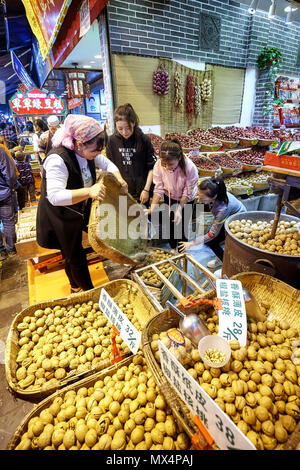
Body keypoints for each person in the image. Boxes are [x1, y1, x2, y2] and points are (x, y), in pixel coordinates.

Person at [36, 114, 128, 294]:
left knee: (74, 251)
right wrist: (89, 191)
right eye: (95, 150)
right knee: (74, 253)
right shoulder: (58, 159)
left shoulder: (88, 152)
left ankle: (75, 286)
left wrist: (120, 179)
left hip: (78, 208)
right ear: (79, 144)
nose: (97, 154)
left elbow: (107, 163)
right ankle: (88, 293)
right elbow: (54, 196)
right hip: (60, 214)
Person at [178, 177, 246, 269]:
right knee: (210, 239)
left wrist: (191, 243)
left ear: (214, 196)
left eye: (202, 198)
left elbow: (212, 234)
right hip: (228, 216)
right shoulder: (217, 191)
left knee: (212, 241)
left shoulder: (222, 209)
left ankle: (226, 265)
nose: (199, 199)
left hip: (237, 220)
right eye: (198, 195)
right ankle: (222, 256)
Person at [146, 138, 199, 252]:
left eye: (170, 164)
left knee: (182, 226)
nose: (166, 167)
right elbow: (158, 187)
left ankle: (181, 252)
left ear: (179, 158)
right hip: (169, 196)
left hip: (186, 199)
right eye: (164, 163)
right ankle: (172, 248)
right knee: (169, 222)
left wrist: (179, 209)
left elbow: (187, 192)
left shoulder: (190, 168)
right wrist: (153, 207)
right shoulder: (158, 165)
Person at [106, 103, 156, 205]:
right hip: (121, 192)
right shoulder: (112, 141)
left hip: (142, 192)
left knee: (142, 218)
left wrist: (146, 190)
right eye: (120, 129)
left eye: (128, 128)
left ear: (133, 123)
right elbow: (109, 166)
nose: (124, 132)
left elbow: (151, 167)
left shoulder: (144, 140)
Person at [0, 145, 18, 259]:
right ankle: (11, 249)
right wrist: (11, 186)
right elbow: (9, 172)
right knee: (8, 222)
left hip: (3, 192)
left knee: (8, 222)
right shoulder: (0, 151)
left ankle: (1, 251)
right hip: (4, 193)